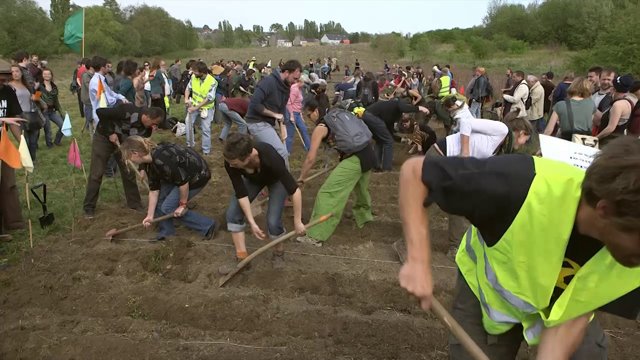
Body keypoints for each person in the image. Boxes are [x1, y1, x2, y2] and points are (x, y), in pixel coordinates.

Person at [398, 136, 640, 359]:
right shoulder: (520, 185)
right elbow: (416, 173)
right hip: (490, 294)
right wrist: (418, 262)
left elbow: (575, 313)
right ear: (606, 211)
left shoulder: (629, 256)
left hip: (558, 305)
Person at [220, 133, 305, 273]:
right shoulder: (231, 161)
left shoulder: (270, 157)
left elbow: (295, 191)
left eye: (234, 163)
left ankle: (279, 254)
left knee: (272, 220)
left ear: (247, 157)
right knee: (233, 213)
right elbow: (241, 193)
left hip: (276, 180)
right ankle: (242, 259)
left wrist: (298, 221)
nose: (230, 165)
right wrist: (252, 222)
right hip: (254, 180)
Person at [295, 99, 376, 247]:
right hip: (369, 153)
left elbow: (310, 158)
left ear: (316, 111)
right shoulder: (338, 115)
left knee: (328, 194)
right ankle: (364, 218)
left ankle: (315, 236)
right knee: (361, 189)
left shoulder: (321, 127)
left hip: (355, 158)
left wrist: (301, 179)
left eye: (308, 115)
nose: (308, 119)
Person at [120, 136, 217, 241]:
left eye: (129, 157)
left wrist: (182, 205)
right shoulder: (149, 163)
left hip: (197, 175)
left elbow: (183, 183)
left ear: (135, 153)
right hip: (178, 175)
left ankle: (208, 226)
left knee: (168, 207)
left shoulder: (161, 159)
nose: (129, 161)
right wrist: (150, 215)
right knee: (158, 201)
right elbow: (154, 191)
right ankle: (167, 232)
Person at [82, 104, 164, 219]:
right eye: (154, 123)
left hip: (125, 144)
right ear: (146, 117)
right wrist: (110, 132)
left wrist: (142, 168)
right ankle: (89, 208)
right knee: (97, 173)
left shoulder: (147, 131)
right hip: (104, 138)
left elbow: (142, 152)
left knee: (129, 172)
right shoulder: (127, 111)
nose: (155, 127)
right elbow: (100, 111)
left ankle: (134, 204)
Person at [244, 59, 301, 165]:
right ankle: (286, 181)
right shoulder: (268, 82)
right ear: (287, 72)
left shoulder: (286, 87)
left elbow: (282, 108)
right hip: (256, 122)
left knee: (265, 157)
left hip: (269, 123)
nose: (295, 82)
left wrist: (283, 125)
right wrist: (275, 115)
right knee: (281, 153)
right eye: (294, 78)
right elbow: (255, 104)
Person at [365, 99, 429, 171]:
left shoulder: (391, 115)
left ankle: (376, 167)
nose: (406, 116)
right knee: (388, 142)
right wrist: (420, 108)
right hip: (371, 116)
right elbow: (404, 108)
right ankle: (387, 169)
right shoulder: (399, 102)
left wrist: (401, 139)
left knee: (380, 141)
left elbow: (389, 133)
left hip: (367, 116)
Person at [0, 61, 26, 240]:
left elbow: (14, 119)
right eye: (1, 78)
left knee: (8, 183)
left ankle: (13, 222)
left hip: (3, 144)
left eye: (6, 77)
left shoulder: (8, 91)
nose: (4, 81)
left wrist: (22, 144)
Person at [184, 61, 218, 156]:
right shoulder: (194, 77)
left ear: (202, 72)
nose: (193, 73)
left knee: (206, 129)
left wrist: (196, 108)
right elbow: (188, 89)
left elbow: (209, 98)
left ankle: (206, 151)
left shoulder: (212, 82)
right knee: (188, 124)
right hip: (193, 106)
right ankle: (190, 145)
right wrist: (186, 99)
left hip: (206, 108)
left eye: (195, 71)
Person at [8, 65, 40, 161]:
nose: (15, 73)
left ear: (21, 73)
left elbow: (37, 93)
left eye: (17, 71)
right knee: (25, 141)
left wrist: (35, 97)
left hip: (31, 115)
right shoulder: (9, 86)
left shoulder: (26, 85)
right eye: (12, 72)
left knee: (33, 141)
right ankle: (27, 161)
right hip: (18, 116)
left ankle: (33, 159)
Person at [596, 74, 637, 147]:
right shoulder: (629, 102)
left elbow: (610, 128)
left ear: (615, 89)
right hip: (617, 143)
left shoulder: (618, 105)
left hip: (608, 143)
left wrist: (595, 138)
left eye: (612, 87)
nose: (610, 90)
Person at [89, 56, 128, 128]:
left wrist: (121, 97)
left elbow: (111, 93)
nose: (108, 68)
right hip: (102, 116)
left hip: (105, 113)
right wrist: (120, 101)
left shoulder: (101, 80)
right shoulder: (96, 82)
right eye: (106, 66)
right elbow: (107, 100)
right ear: (102, 68)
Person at [38, 68, 64, 148]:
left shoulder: (54, 87)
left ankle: (57, 141)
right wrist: (42, 104)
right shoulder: (39, 86)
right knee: (48, 129)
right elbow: (36, 97)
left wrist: (61, 111)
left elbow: (56, 100)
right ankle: (49, 144)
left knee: (63, 126)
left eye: (48, 74)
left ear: (51, 75)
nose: (46, 75)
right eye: (45, 74)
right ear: (42, 75)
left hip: (52, 111)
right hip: (43, 111)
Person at [285, 77, 311, 153]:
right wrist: (291, 115)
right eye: (303, 83)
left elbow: (299, 103)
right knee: (290, 133)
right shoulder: (294, 89)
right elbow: (288, 103)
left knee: (304, 129)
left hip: (298, 113)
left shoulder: (299, 89)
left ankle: (309, 147)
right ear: (299, 82)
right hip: (292, 113)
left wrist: (301, 114)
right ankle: (287, 152)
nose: (304, 85)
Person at [80, 59, 95, 133]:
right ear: (91, 67)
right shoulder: (86, 75)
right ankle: (90, 132)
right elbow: (89, 86)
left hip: (93, 100)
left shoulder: (94, 75)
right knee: (90, 119)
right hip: (88, 100)